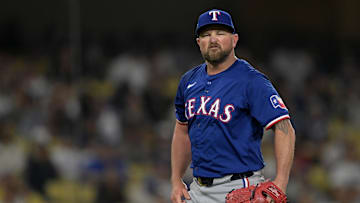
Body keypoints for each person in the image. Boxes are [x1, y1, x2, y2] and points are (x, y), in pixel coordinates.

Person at [170, 9, 296, 203]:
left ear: (234, 40)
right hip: (197, 188)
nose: (213, 40)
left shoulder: (251, 80)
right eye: (206, 35)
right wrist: (176, 179)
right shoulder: (188, 81)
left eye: (220, 33)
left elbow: (284, 127)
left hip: (240, 187)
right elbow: (181, 129)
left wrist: (281, 182)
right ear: (198, 43)